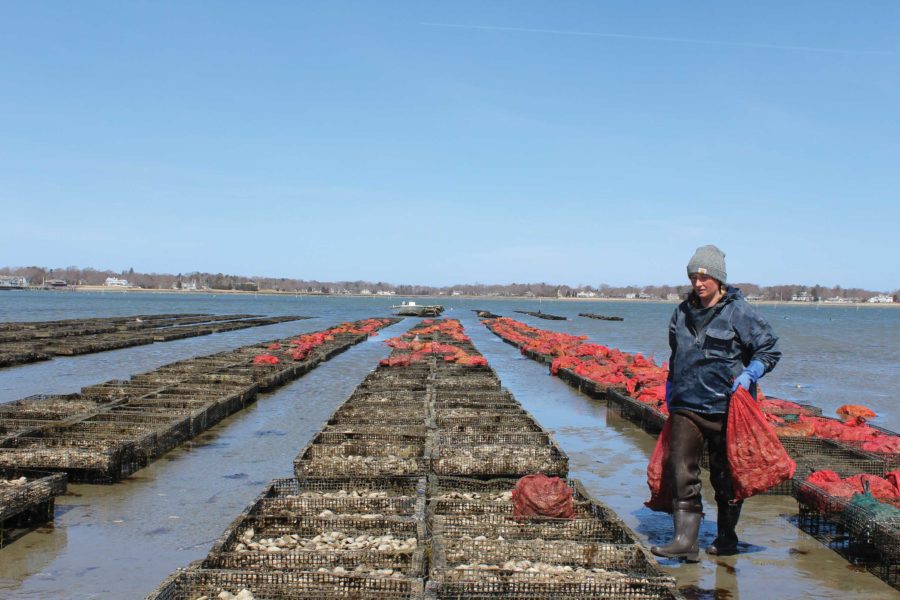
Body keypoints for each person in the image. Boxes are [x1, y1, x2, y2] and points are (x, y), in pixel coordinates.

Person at [651, 245, 781, 562]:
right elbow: (674, 353)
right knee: (681, 473)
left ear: (719, 280)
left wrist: (752, 373)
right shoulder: (680, 313)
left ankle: (726, 538)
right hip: (686, 406)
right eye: (694, 276)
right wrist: (671, 385)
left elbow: (769, 349)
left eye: (704, 277)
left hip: (727, 410)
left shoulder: (739, 312)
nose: (698, 283)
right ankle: (685, 541)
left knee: (725, 479)